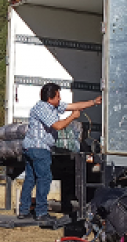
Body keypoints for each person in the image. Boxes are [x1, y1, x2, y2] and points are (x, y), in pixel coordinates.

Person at [19, 83, 102, 222]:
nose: (60, 98)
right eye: (58, 95)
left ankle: (24, 210)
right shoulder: (43, 108)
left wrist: (93, 102)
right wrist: (72, 118)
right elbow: (58, 125)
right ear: (50, 97)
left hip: (31, 148)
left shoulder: (52, 106)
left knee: (31, 179)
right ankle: (41, 212)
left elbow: (72, 106)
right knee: (44, 179)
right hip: (39, 148)